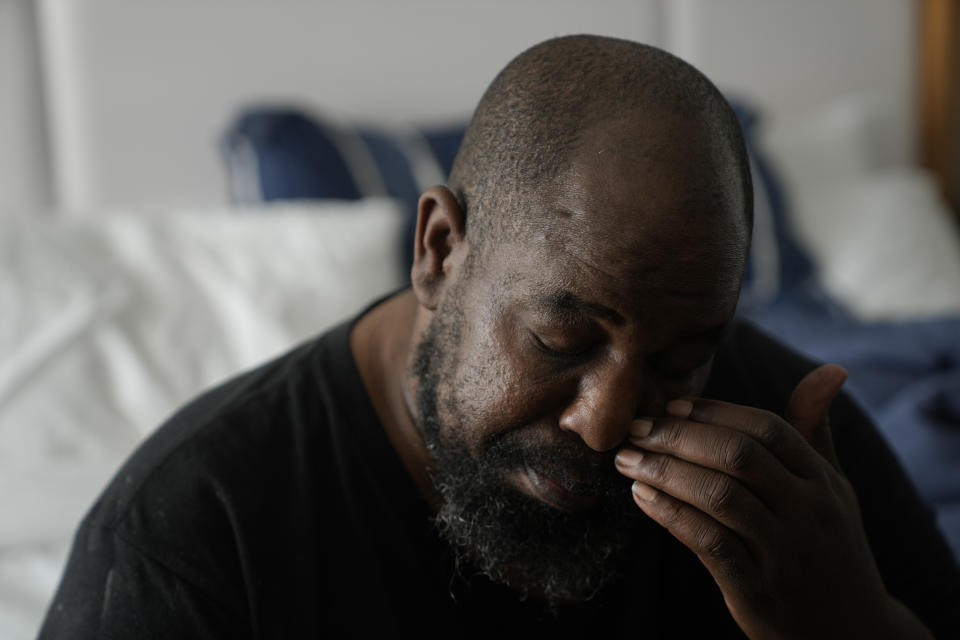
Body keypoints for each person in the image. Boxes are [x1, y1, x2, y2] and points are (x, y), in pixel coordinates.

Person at [39, 35, 959, 639]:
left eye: (680, 360)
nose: (606, 423)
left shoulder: (781, 468)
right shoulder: (185, 546)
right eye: (563, 340)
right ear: (440, 250)